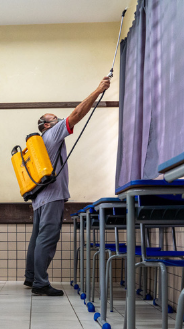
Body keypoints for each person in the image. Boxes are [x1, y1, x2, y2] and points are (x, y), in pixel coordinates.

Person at [25, 76, 112, 296]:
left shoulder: (39, 143)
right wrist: (98, 90)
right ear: (47, 125)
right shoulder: (52, 134)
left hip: (39, 199)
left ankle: (31, 277)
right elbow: (75, 115)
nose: (60, 119)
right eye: (55, 118)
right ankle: (40, 284)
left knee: (37, 238)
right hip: (52, 197)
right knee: (47, 238)